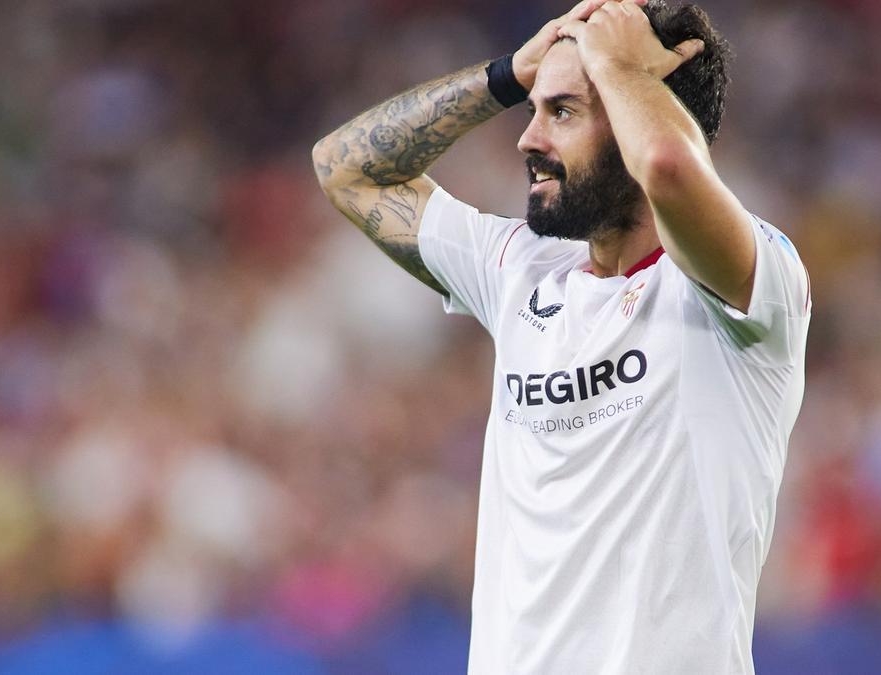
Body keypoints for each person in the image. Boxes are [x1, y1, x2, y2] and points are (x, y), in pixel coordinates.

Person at [312, 0, 811, 672]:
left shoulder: (749, 282)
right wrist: (505, 78)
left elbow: (665, 166)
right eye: (533, 110)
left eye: (565, 111)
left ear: (646, 112)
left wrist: (625, 69)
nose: (528, 138)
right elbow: (345, 167)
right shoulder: (521, 269)